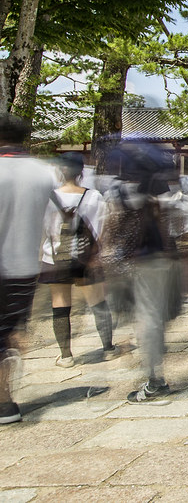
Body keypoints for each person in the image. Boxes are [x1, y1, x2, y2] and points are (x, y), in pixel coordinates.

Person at [102, 140, 186, 405]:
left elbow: (112, 226)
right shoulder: (162, 190)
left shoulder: (121, 191)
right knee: (155, 316)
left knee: (147, 317)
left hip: (137, 259)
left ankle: (155, 379)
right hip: (163, 255)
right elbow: (179, 223)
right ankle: (154, 369)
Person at [0, 114, 57, 423]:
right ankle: (6, 393)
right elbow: (54, 220)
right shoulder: (44, 173)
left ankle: (4, 400)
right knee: (10, 329)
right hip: (25, 265)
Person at [39, 152, 115, 365]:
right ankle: (108, 347)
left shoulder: (49, 197)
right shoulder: (94, 197)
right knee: (98, 301)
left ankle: (66, 355)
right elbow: (102, 229)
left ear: (59, 171)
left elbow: (45, 229)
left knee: (60, 304)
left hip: (54, 257)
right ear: (82, 171)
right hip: (87, 258)